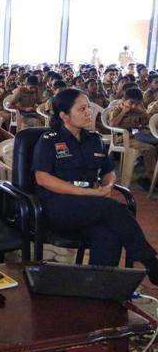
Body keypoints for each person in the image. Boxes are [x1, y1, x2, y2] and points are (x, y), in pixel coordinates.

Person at [32, 88, 158, 279]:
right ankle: (150, 263)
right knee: (112, 208)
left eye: (88, 108)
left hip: (91, 206)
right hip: (58, 206)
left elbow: (108, 171)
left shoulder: (94, 140)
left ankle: (97, 285)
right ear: (64, 115)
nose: (89, 112)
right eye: (82, 109)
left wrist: (107, 186)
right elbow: (43, 178)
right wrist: (89, 193)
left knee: (108, 233)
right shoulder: (49, 140)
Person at [107, 88, 157, 190]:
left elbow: (150, 122)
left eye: (137, 103)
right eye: (131, 103)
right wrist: (123, 112)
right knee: (150, 148)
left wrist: (143, 111)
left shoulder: (138, 110)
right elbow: (112, 124)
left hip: (137, 136)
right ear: (124, 100)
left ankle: (150, 176)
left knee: (155, 145)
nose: (134, 106)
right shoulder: (118, 109)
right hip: (123, 138)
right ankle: (151, 177)